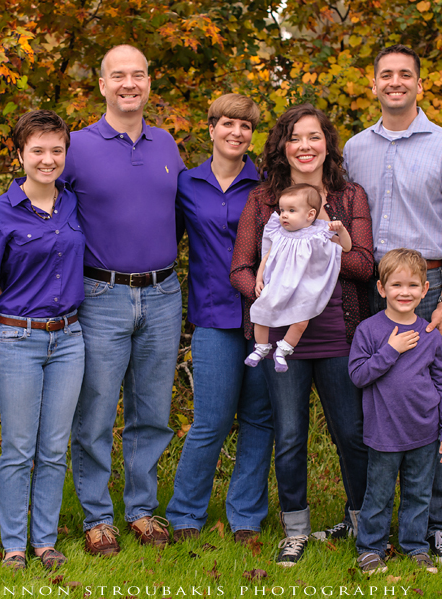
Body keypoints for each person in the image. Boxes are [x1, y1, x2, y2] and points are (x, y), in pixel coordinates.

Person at [343, 43, 442, 566]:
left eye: (405, 75)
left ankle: (436, 528)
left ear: (420, 85)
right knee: (371, 401)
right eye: (386, 75)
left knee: (424, 405)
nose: (395, 82)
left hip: (424, 290)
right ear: (373, 84)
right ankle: (368, 520)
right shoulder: (355, 149)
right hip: (368, 287)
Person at [230, 104, 373, 567]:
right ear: (282, 147)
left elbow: (365, 266)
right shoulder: (263, 200)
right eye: (295, 138)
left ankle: (360, 520)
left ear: (327, 143)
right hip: (282, 340)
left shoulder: (349, 198)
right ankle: (296, 528)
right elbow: (241, 268)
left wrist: (324, 238)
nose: (305, 146)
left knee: (349, 432)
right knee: (290, 435)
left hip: (339, 332)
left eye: (314, 137)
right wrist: (269, 297)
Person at [61, 44, 185, 555]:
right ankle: (96, 517)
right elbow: (44, 209)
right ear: (103, 85)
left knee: (152, 410)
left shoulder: (166, 144)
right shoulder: (75, 146)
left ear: (149, 82)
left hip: (163, 292)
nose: (129, 84)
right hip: (101, 293)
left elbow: (178, 216)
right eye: (119, 76)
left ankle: (141, 510)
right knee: (94, 412)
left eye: (138, 75)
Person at [0, 110, 84, 572]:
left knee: (54, 447)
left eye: (56, 150)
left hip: (70, 339)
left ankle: (45, 540)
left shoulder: (74, 204)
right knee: (19, 447)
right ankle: (14, 544)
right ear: (19, 155)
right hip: (18, 337)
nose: (47, 159)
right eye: (37, 150)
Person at [166, 94, 273, 545]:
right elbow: (165, 241)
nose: (236, 133)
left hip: (267, 318)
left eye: (245, 126)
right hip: (213, 316)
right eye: (228, 123)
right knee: (210, 418)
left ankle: (246, 516)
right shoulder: (186, 184)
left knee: (259, 418)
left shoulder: (268, 186)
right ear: (210, 128)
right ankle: (185, 514)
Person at [349, 249, 442, 575]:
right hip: (384, 433)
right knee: (378, 496)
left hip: (424, 432)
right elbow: (358, 375)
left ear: (426, 289)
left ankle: (415, 548)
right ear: (381, 289)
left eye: (412, 285)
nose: (404, 292)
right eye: (396, 285)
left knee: (418, 496)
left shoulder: (429, 334)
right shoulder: (369, 331)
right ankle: (370, 549)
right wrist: (390, 351)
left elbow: (441, 384)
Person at [245, 183, 352, 372]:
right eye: (282, 209)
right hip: (278, 284)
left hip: (304, 288)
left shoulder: (319, 232)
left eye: (291, 210)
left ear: (310, 215)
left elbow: (346, 247)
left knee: (301, 320)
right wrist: (259, 278)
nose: (284, 214)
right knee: (261, 312)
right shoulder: (279, 232)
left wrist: (341, 230)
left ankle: (284, 349)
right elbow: (267, 257)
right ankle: (261, 347)